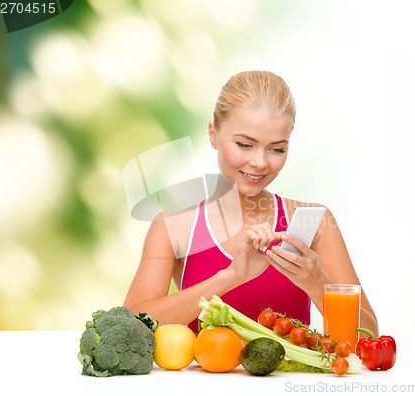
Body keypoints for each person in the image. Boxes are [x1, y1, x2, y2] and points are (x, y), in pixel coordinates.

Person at [124, 71, 378, 337]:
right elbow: (130, 327)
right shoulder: (174, 226)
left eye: (277, 149)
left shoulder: (311, 221)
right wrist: (230, 276)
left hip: (288, 379)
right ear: (213, 134)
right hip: (201, 380)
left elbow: (369, 337)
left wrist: (317, 283)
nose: (260, 162)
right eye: (245, 145)